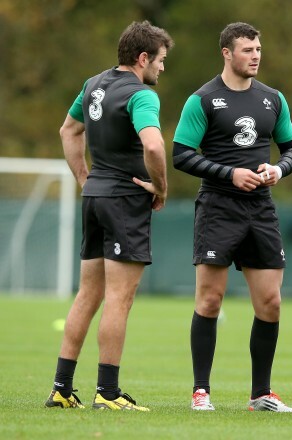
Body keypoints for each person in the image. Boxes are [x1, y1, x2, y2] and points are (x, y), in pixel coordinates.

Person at [44, 21, 174, 411]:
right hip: (124, 201)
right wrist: (161, 188)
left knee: (89, 294)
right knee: (120, 297)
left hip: (96, 197)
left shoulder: (93, 85)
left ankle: (62, 388)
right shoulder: (142, 95)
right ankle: (108, 392)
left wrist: (85, 177)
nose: (162, 69)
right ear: (143, 58)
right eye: (161, 61)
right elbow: (153, 146)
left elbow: (69, 130)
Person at [172, 22, 292, 412]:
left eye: (258, 48)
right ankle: (201, 392)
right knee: (210, 300)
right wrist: (229, 173)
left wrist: (279, 170)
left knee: (271, 303)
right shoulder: (204, 99)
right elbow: (181, 154)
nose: (256, 55)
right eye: (247, 49)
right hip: (218, 207)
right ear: (227, 53)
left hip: (260, 210)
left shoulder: (273, 99)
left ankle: (261, 393)